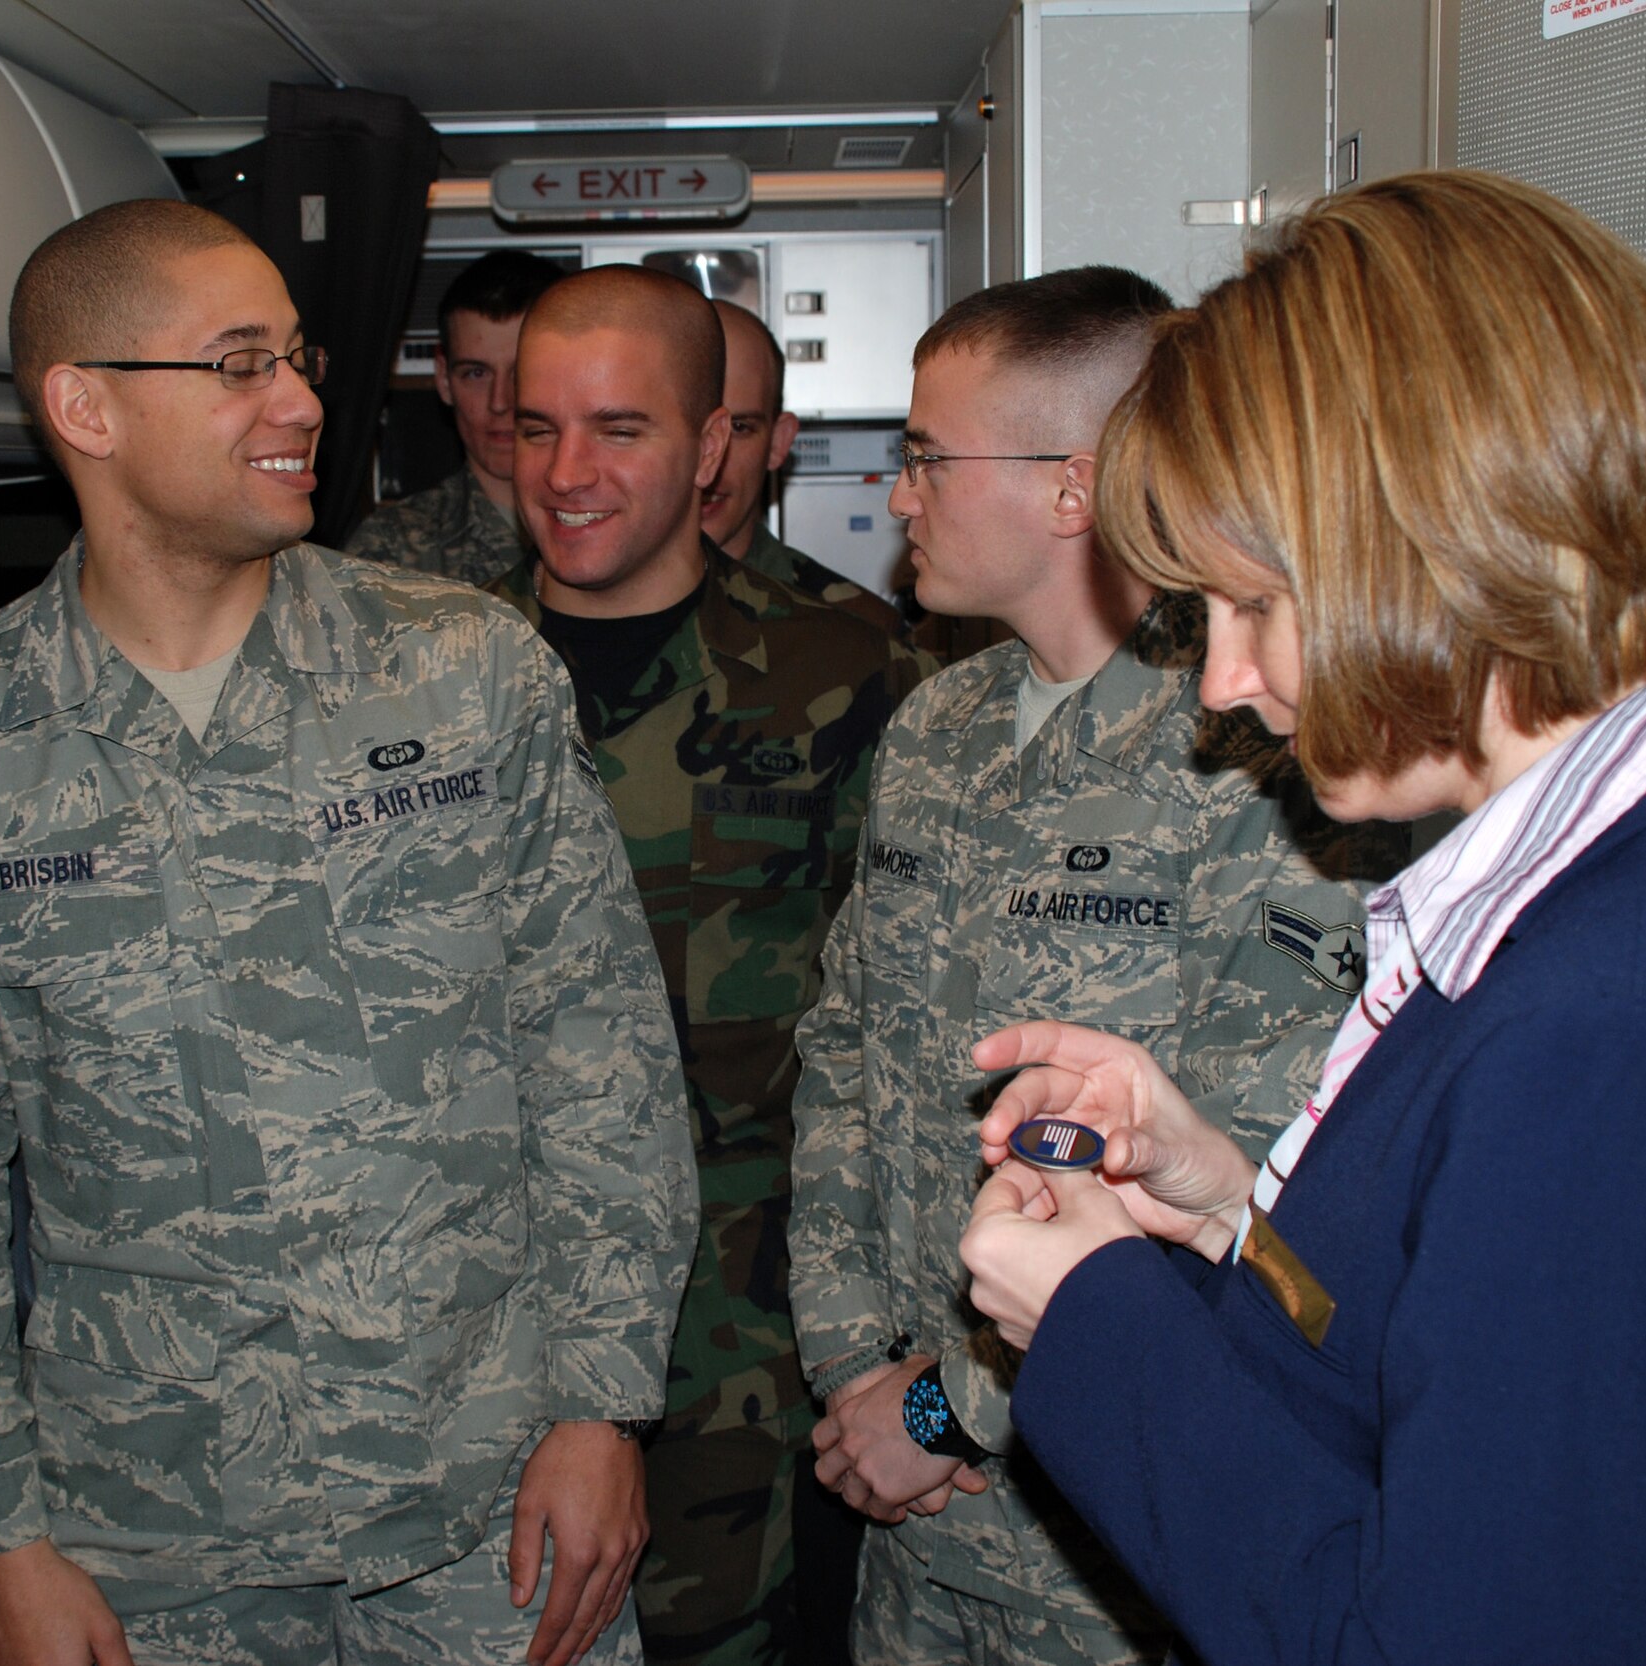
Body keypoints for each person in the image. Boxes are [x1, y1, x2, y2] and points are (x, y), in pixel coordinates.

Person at [0, 199, 696, 1666]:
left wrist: (604, 1406)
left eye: (299, 357)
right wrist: (1, 1539)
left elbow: (597, 1054)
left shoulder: (464, 675)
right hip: (150, 1540)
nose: (300, 403)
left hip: (490, 1509)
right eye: (239, 365)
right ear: (84, 406)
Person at [959, 172, 1646, 1666]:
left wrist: (1093, 1312)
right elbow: (1495, 1378)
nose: (1220, 682)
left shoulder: (1619, 1026)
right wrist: (1229, 1210)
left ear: (1439, 548)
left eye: (1254, 608)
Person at [786, 266, 1402, 1666]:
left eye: (930, 457)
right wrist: (853, 1370)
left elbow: (1257, 1165)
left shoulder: (1256, 751)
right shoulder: (936, 727)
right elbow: (844, 1059)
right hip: (909, 1522)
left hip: (1119, 1542)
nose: (900, 496)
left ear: (1074, 489)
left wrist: (945, 1407)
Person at [485, 265, 932, 1666]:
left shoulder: (844, 676)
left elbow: (900, 1038)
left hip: (734, 1344)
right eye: (534, 426)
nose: (567, 472)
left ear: (713, 448)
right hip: (463, 1327)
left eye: (620, 429)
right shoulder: (424, 678)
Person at [346, 249, 564, 584]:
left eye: (523, 373)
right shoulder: (392, 550)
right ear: (444, 378)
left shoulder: (616, 530)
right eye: (476, 373)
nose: (500, 402)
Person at [703, 299, 904, 637]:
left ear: (779, 442)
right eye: (690, 426)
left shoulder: (862, 639)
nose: (710, 459)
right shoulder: (586, 618)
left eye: (739, 428)